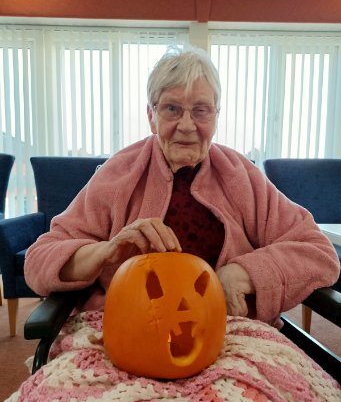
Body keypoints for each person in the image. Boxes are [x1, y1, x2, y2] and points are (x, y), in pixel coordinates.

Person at [24, 45, 340, 327]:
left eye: (200, 110)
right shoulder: (118, 173)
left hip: (229, 332)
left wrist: (241, 273)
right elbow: (39, 259)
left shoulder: (241, 175)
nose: (186, 126)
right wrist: (105, 252)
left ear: (216, 117)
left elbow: (318, 252)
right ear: (152, 116)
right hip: (128, 327)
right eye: (172, 109)